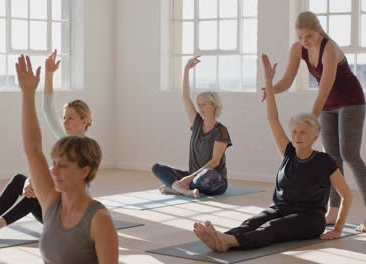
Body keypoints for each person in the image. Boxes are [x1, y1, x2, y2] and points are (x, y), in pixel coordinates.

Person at [193, 54, 352, 252]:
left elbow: (347, 195)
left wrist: (338, 229)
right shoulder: (288, 152)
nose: (297, 135)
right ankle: (221, 238)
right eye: (294, 131)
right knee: (253, 221)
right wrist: (268, 82)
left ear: (314, 137)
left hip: (309, 218)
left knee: (272, 228)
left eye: (303, 132)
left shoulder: (324, 161)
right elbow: (273, 120)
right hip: (279, 209)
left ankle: (230, 242)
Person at [0, 50, 93, 240]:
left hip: (71, 217)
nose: (65, 122)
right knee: (19, 180)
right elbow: (47, 109)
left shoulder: (88, 148)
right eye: (64, 117)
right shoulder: (64, 140)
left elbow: (63, 172)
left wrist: (35, 181)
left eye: (70, 118)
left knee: (34, 191)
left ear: (85, 119)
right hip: (53, 211)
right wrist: (48, 74)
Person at [262, 11, 366, 232]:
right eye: (300, 37)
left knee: (349, 154)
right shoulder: (298, 49)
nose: (304, 41)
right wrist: (271, 88)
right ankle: (334, 211)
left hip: (351, 100)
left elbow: (324, 89)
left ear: (318, 31)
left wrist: (309, 121)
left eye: (308, 36)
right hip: (329, 104)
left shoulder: (329, 48)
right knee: (331, 157)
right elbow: (288, 80)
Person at [16, 54, 118, 263]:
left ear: (84, 171)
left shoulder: (99, 220)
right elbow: (32, 150)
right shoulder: (51, 203)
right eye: (54, 164)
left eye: (63, 165)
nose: (53, 171)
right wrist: (27, 94)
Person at [152, 56, 232, 198]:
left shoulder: (221, 130)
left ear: (214, 106)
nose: (200, 108)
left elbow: (215, 162)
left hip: (214, 181)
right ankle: (183, 190)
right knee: (157, 168)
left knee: (208, 175)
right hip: (193, 177)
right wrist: (186, 70)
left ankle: (175, 188)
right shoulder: (197, 124)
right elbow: (185, 97)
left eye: (204, 104)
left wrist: (188, 179)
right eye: (198, 104)